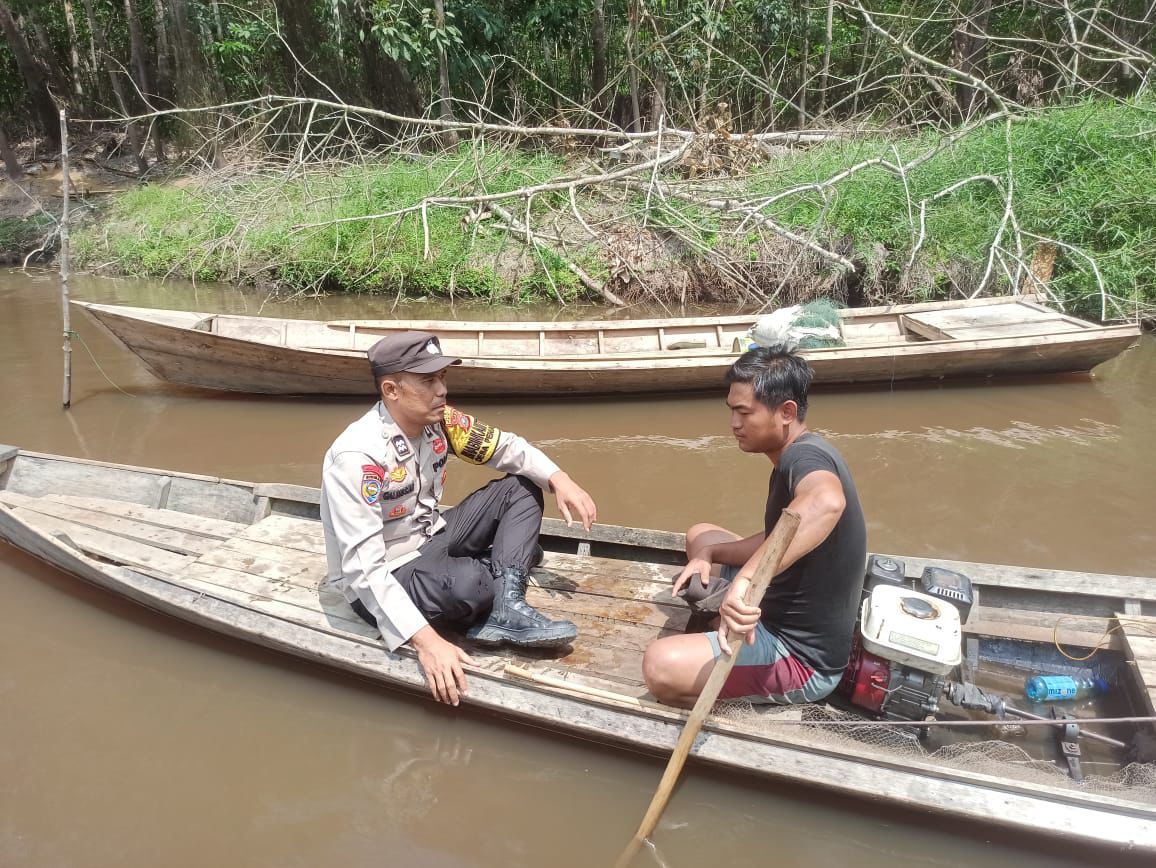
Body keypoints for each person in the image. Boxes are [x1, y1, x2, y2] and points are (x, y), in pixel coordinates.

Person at [321, 331, 597, 707]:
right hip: (386, 572)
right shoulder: (359, 457)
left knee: (521, 486)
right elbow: (364, 571)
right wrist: (428, 642)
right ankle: (502, 567)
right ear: (391, 390)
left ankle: (507, 606)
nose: (442, 390)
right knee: (469, 585)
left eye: (443, 378)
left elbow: (508, 448)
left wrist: (559, 479)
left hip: (430, 538)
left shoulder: (442, 422)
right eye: (427, 381)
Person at [642, 345, 866, 709]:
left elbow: (826, 502)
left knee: (660, 667)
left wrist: (744, 582)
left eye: (744, 412)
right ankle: (722, 613)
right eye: (732, 411)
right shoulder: (796, 454)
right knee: (701, 534)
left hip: (799, 657)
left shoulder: (803, 456)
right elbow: (778, 534)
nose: (734, 424)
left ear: (786, 412)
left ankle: (728, 639)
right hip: (773, 599)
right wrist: (708, 554)